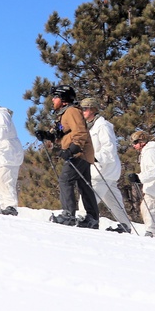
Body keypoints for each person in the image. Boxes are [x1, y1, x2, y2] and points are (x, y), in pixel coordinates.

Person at [80, 97, 134, 233]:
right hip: (106, 171)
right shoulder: (91, 126)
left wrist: (93, 158)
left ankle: (83, 220)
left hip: (102, 171)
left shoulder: (102, 126)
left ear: (93, 109)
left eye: (85, 109)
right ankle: (125, 225)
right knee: (113, 201)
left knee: (87, 198)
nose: (83, 111)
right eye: (82, 109)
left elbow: (109, 149)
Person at [47, 84, 97, 227]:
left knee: (65, 179)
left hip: (79, 153)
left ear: (63, 98)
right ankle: (92, 219)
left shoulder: (71, 112)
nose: (52, 100)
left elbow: (80, 131)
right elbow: (61, 131)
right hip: (82, 153)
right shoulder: (64, 113)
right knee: (84, 185)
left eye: (55, 97)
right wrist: (48, 135)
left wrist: (72, 149)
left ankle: (68, 214)